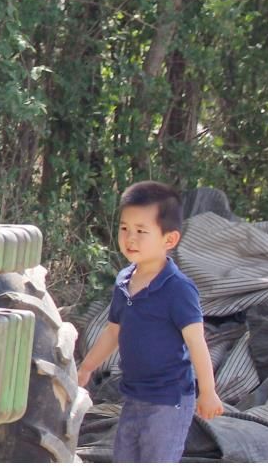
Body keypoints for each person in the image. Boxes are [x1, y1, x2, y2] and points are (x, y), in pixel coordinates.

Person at [76, 180, 224, 462]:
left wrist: (208, 392)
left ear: (169, 239)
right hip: (133, 395)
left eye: (141, 231)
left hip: (169, 401)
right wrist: (87, 366)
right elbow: (113, 332)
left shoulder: (178, 289)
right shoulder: (124, 281)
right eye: (124, 229)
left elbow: (196, 342)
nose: (130, 238)